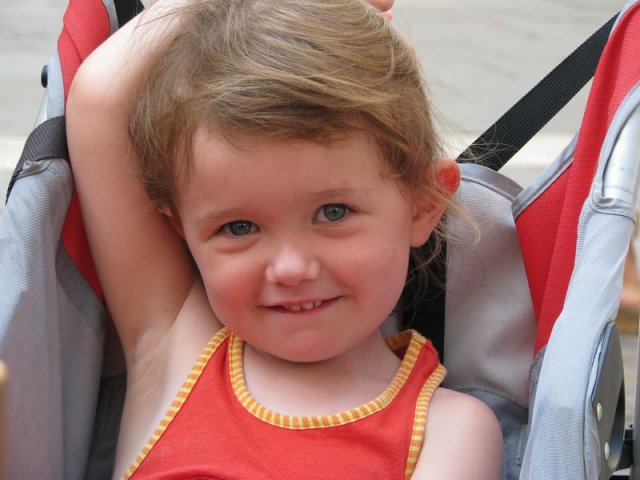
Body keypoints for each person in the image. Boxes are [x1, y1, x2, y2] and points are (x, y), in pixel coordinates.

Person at [66, 0, 503, 478]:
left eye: (333, 213)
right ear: (181, 230)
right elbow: (101, 99)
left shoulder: (449, 430)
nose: (291, 269)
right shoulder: (175, 346)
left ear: (422, 204)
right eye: (238, 228)